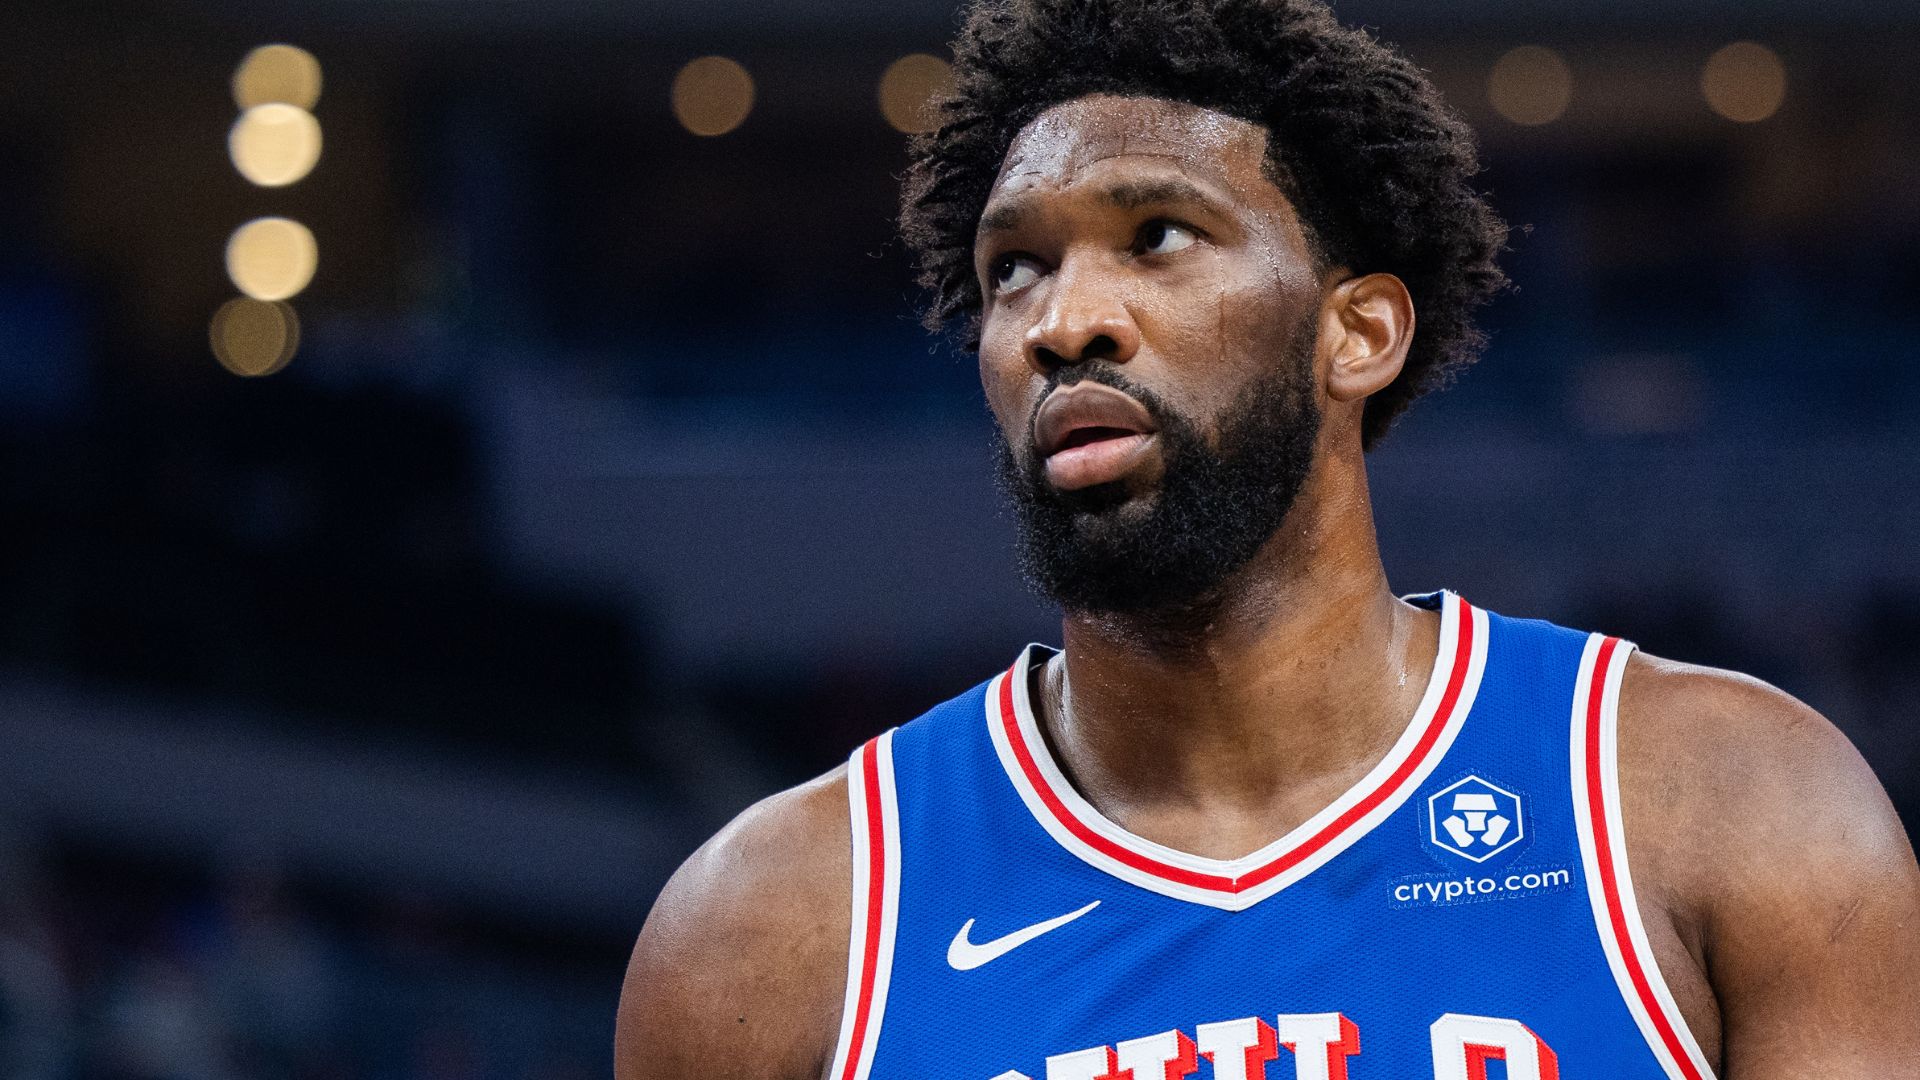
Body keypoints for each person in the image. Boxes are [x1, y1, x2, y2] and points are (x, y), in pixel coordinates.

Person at [614, 0, 1920, 1075]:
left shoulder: (1729, 808)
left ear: (1360, 333)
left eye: (1158, 236)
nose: (1066, 320)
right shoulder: (771, 935)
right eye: (1015, 266)